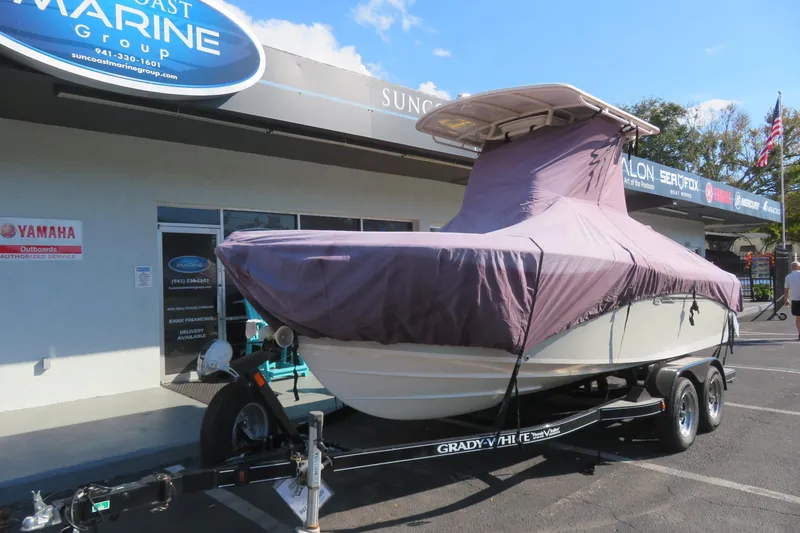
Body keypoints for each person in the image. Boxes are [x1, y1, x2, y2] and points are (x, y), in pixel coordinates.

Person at [783, 261, 800, 339]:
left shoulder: (788, 277)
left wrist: (786, 299)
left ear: (792, 267)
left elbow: (786, 289)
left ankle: (799, 333)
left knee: (798, 317)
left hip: (795, 299)